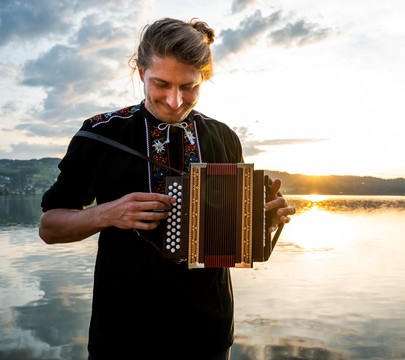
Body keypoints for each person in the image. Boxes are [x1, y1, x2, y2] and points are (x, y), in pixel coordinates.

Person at [39, 17, 295, 360]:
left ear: (203, 78)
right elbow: (49, 228)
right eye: (161, 84)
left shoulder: (223, 138)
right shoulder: (100, 134)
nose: (175, 101)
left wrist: (265, 223)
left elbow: (233, 240)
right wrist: (108, 213)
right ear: (140, 71)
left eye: (189, 86)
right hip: (121, 333)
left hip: (208, 332)